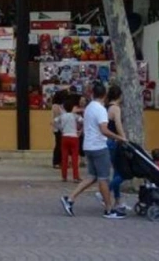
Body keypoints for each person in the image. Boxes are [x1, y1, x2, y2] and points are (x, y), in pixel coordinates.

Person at [60, 83, 128, 219]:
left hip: (88, 146)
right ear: (104, 95)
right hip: (99, 146)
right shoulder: (100, 109)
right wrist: (119, 137)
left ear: (93, 93)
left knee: (92, 176)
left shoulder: (89, 107)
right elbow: (104, 130)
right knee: (103, 178)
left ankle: (70, 198)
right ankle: (109, 209)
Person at [97, 85, 127, 211]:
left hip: (106, 141)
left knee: (115, 171)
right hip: (113, 141)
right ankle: (106, 192)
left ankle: (117, 200)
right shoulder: (115, 108)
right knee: (120, 171)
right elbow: (118, 124)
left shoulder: (105, 107)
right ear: (120, 96)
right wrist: (123, 137)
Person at [55, 96, 83, 182]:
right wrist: (79, 130)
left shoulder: (62, 116)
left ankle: (64, 176)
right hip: (74, 137)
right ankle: (75, 176)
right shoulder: (75, 116)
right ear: (72, 107)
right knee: (75, 157)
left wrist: (61, 129)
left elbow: (54, 121)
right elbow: (82, 121)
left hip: (64, 137)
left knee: (64, 157)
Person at [51, 90, 70, 169]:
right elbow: (57, 118)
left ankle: (63, 161)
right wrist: (60, 128)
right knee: (58, 145)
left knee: (63, 146)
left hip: (64, 128)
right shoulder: (56, 106)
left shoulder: (62, 106)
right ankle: (56, 162)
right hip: (58, 129)